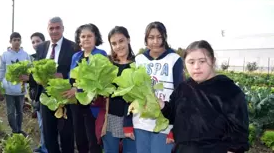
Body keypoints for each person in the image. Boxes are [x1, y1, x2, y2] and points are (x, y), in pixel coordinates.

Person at [160, 40, 249, 153]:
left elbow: (239, 134)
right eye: (191, 62)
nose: (196, 67)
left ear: (212, 61)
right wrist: (161, 105)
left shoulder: (229, 91)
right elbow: (172, 115)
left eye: (202, 61)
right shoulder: (183, 88)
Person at [133, 21, 184, 153]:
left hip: (164, 124)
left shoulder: (174, 59)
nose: (155, 41)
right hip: (141, 122)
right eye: (151, 37)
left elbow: (180, 95)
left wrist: (175, 128)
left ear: (164, 38)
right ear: (146, 39)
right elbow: (132, 91)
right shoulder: (139, 59)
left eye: (159, 37)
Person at [34, 17, 80, 153]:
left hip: (65, 97)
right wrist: (32, 78)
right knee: (49, 136)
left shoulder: (73, 47)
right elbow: (36, 69)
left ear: (63, 29)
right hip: (46, 98)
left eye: (57, 28)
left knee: (66, 135)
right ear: (47, 29)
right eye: (51, 28)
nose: (54, 31)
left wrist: (63, 76)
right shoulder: (42, 47)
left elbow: (78, 71)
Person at [63, 23, 106, 153]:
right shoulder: (75, 56)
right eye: (83, 36)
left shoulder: (100, 54)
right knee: (80, 140)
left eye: (89, 36)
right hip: (76, 105)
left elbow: (100, 82)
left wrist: (78, 90)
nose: (86, 39)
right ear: (79, 39)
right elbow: (71, 79)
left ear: (96, 38)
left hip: (93, 105)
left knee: (93, 141)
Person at [100, 26, 137, 153]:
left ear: (128, 40)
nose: (118, 46)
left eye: (121, 41)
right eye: (114, 43)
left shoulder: (138, 64)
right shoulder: (107, 65)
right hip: (111, 118)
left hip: (133, 120)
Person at [0, 32, 31, 136]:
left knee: (20, 111)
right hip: (8, 88)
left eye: (18, 40)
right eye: (14, 40)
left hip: (20, 88)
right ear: (10, 42)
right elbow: (1, 70)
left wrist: (28, 77)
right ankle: (14, 131)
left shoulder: (25, 55)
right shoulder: (5, 55)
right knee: (11, 111)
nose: (16, 42)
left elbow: (30, 69)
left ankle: (19, 129)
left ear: (21, 41)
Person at [20, 32, 47, 153]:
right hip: (36, 96)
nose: (35, 44)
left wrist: (29, 78)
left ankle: (46, 148)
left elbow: (42, 78)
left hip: (45, 95)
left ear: (44, 42)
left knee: (45, 125)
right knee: (42, 124)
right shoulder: (32, 58)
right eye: (33, 42)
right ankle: (43, 146)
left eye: (38, 41)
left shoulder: (46, 58)